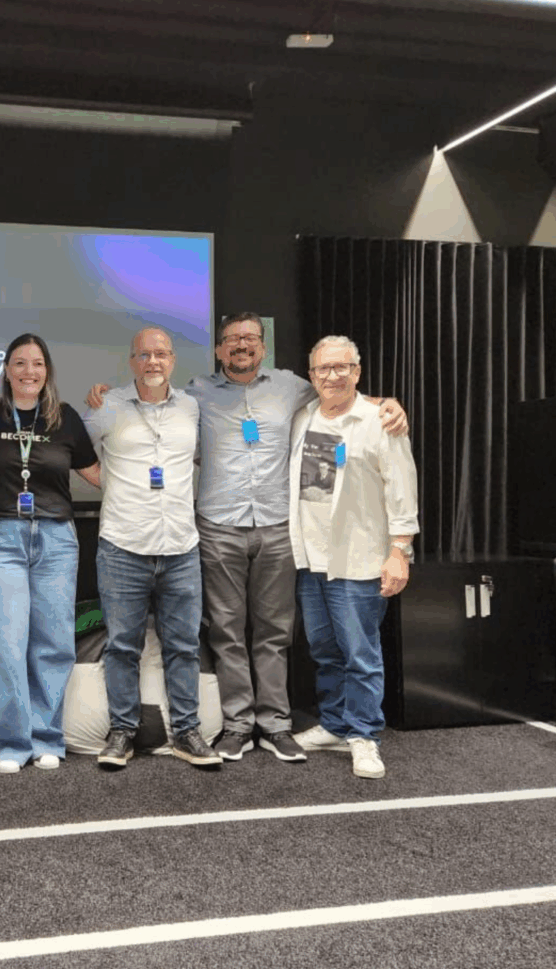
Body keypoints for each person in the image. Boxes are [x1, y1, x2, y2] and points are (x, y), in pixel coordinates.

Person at [87, 312, 406, 765]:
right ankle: (237, 726)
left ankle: (275, 724)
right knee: (227, 634)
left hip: (278, 528)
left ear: (262, 346)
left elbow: (340, 395)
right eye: (232, 339)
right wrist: (101, 395)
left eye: (250, 338)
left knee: (275, 634)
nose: (241, 345)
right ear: (218, 350)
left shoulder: (292, 386)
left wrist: (385, 403)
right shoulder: (194, 394)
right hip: (217, 528)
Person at [83, 327, 220, 771]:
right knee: (123, 646)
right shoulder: (107, 407)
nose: (153, 362)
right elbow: (72, 453)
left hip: (181, 547)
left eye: (161, 354)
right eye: (144, 355)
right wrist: (113, 485)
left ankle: (186, 732)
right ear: (132, 361)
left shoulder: (193, 409)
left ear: (173, 359)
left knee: (183, 645)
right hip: (123, 546)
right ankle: (122, 732)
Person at [0, 333, 101, 773]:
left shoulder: (66, 420)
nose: (29, 372)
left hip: (57, 538)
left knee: (54, 642)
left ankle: (46, 737)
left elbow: (97, 474)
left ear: (47, 371)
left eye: (37, 363)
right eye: (20, 363)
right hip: (1, 537)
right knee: (6, 645)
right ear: (6, 369)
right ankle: (7, 743)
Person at [289, 335, 419, 779]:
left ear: (357, 372)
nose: (332, 376)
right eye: (323, 369)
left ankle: (364, 737)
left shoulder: (380, 422)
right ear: (312, 376)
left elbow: (402, 491)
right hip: (311, 560)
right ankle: (335, 723)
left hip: (359, 560)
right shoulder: (304, 416)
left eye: (342, 367)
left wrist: (399, 552)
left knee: (361, 653)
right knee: (324, 650)